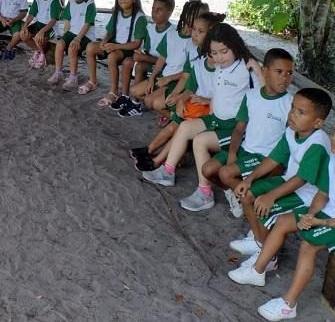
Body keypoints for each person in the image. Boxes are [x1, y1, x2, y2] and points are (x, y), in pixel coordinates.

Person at [226, 89, 332, 304]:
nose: (292, 114)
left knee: (264, 206)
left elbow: (302, 179)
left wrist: (271, 196)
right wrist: (249, 179)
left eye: (301, 112)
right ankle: (260, 244)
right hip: (289, 182)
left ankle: (268, 258)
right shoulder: (291, 131)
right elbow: (274, 159)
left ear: (318, 122)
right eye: (293, 108)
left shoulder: (318, 143)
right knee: (248, 195)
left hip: (306, 194)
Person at [142, 23, 262, 189]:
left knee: (200, 141)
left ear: (235, 46)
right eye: (214, 53)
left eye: (224, 52)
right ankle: (167, 171)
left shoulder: (246, 67)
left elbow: (265, 93)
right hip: (216, 119)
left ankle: (204, 192)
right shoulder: (221, 65)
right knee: (184, 127)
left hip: (235, 127)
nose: (219, 58)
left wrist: (258, 70)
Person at [194, 48, 294, 215]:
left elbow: (290, 141)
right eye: (279, 71)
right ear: (264, 71)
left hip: (265, 157)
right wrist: (232, 153)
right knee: (208, 170)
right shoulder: (251, 95)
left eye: (289, 73)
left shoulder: (290, 104)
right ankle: (237, 193)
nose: (285, 77)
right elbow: (239, 128)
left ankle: (247, 197)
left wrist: (279, 167)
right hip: (245, 149)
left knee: (226, 173)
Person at [131, 12, 225, 173]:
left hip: (209, 107)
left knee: (178, 127)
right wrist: (180, 98)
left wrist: (204, 101)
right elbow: (191, 83)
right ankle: (151, 150)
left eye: (200, 31)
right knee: (173, 124)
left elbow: (223, 94)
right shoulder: (197, 54)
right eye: (194, 29)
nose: (194, 34)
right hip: (194, 101)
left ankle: (157, 161)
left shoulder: (219, 63)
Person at [123, 0, 208, 118]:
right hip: (165, 76)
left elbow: (187, 73)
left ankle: (171, 115)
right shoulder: (172, 34)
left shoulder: (194, 42)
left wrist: (168, 79)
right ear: (185, 14)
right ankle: (166, 109)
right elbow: (162, 58)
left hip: (176, 81)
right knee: (134, 91)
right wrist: (152, 77)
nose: (196, 20)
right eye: (193, 15)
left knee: (149, 101)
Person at [80, 0, 146, 106]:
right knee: (90, 47)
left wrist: (116, 47)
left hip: (128, 48)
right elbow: (110, 31)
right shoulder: (117, 12)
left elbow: (137, 43)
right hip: (115, 45)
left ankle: (113, 91)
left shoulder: (139, 17)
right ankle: (93, 81)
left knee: (112, 57)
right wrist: (104, 41)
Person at [110, 0, 175, 116]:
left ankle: (136, 104)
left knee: (140, 65)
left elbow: (168, 61)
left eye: (159, 10)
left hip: (164, 68)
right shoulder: (150, 29)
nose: (154, 12)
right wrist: (141, 54)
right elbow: (147, 50)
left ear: (169, 12)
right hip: (150, 62)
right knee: (128, 62)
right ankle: (125, 96)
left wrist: (144, 57)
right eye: (153, 9)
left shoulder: (172, 33)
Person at [48, 0, 96, 89]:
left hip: (85, 36)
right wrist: (65, 36)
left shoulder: (90, 4)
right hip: (73, 32)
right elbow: (67, 20)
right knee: (60, 44)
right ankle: (58, 72)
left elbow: (87, 24)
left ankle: (73, 77)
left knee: (72, 48)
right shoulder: (71, 1)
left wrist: (77, 39)